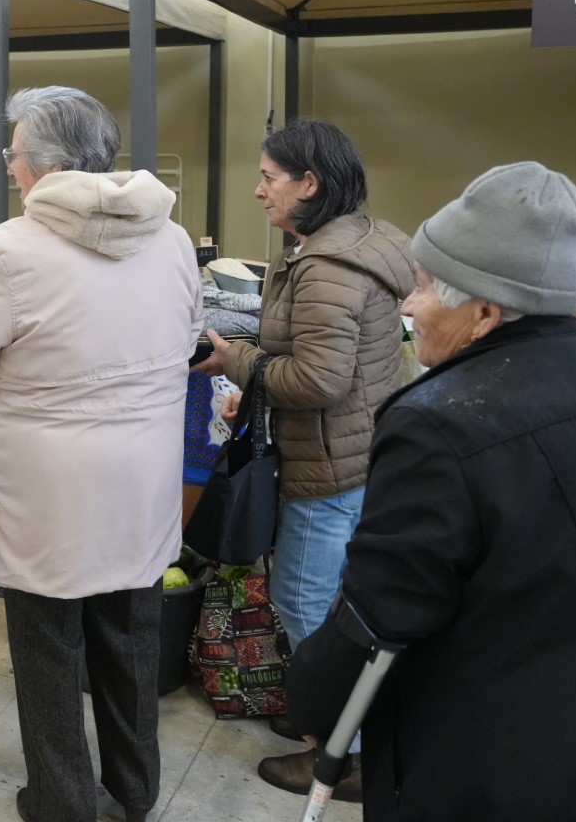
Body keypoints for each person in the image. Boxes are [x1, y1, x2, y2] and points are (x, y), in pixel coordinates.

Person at [286, 162, 576, 821]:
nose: (408, 306)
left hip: (498, 763)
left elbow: (381, 615)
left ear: (485, 312)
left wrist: (312, 699)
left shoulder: (439, 421)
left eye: (425, 288)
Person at [0, 87, 202, 822]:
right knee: (131, 640)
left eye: (12, 155)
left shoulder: (12, 248)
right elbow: (186, 342)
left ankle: (62, 803)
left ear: (45, 165)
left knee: (50, 652)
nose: (10, 168)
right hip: (142, 483)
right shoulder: (174, 239)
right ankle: (135, 790)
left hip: (48, 496)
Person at [202, 118, 413, 801]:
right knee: (331, 599)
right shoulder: (356, 238)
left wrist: (238, 362)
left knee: (302, 601)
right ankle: (332, 710)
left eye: (268, 177)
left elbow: (318, 381)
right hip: (357, 451)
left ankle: (340, 754)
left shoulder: (326, 266)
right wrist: (256, 376)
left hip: (328, 465)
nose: (258, 191)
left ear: (309, 182)